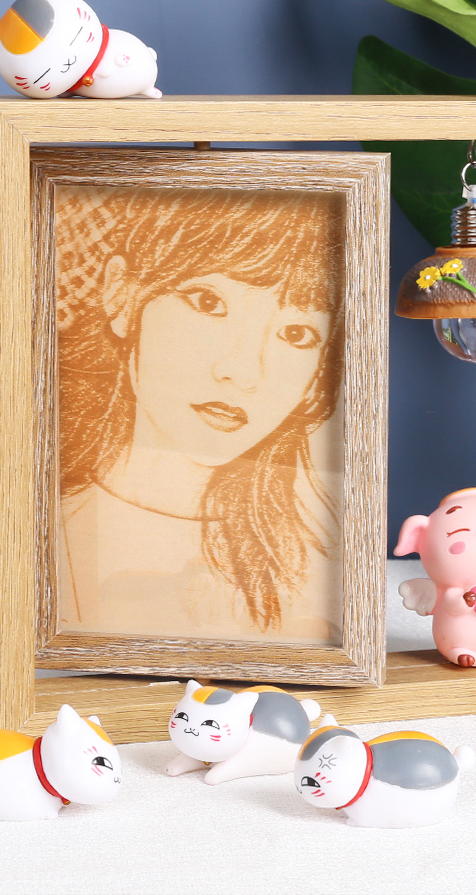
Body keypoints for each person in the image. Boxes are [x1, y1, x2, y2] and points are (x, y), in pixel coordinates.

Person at [55, 182, 345, 644]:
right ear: (121, 294)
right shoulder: (38, 530)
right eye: (209, 303)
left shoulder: (321, 560)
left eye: (296, 334)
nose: (243, 371)